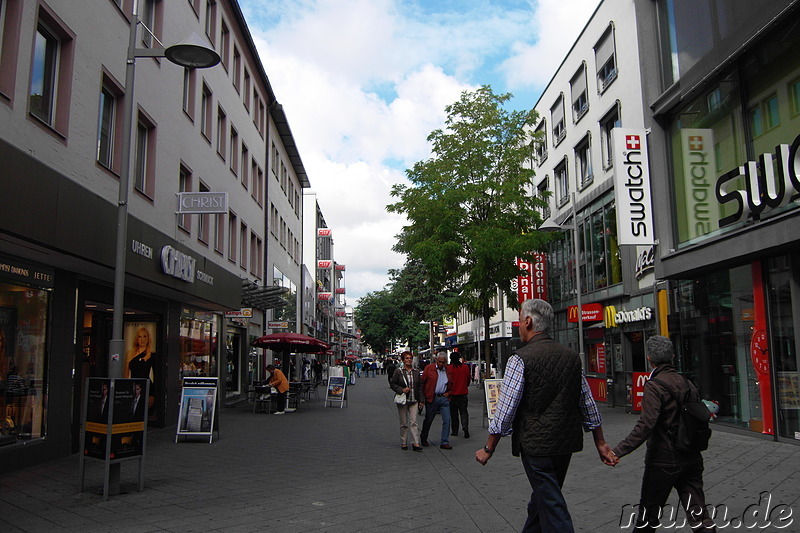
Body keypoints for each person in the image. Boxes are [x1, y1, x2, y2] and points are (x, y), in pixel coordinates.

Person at [475, 298, 615, 533]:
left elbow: (506, 408)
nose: (519, 324)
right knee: (543, 498)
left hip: (536, 444)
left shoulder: (520, 359)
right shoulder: (571, 357)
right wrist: (599, 442)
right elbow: (587, 402)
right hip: (566, 442)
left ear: (528, 321)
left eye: (520, 319)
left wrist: (489, 447)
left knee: (552, 504)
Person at [610, 336, 717, 532]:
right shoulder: (688, 383)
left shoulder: (654, 386)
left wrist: (618, 451)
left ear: (649, 358)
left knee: (648, 517)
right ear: (673, 356)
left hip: (663, 460)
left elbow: (646, 424)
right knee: (699, 514)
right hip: (691, 455)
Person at [389, 351, 424, 451]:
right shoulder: (398, 371)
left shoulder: (416, 372)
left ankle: (415, 443)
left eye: (410, 358)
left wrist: (422, 400)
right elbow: (393, 383)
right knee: (404, 423)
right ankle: (403, 442)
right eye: (407, 358)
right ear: (403, 360)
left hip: (414, 400)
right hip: (403, 400)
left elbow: (420, 387)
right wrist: (401, 390)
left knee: (414, 422)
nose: (409, 360)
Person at [420, 351, 454, 449]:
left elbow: (451, 383)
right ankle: (424, 437)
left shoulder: (448, 370)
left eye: (443, 362)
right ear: (436, 360)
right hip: (432, 397)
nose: (441, 364)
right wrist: (422, 398)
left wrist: (449, 393)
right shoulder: (429, 369)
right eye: (439, 362)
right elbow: (422, 383)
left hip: (443, 398)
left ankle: (444, 441)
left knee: (447, 419)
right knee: (429, 419)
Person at [125, 326, 155, 413]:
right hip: (133, 386)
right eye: (139, 336)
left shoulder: (152, 355)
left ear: (148, 338)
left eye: (145, 336)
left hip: (147, 387)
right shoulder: (130, 353)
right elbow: (126, 375)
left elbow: (156, 375)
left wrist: (154, 395)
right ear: (136, 339)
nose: (142, 339)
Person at [448, 351, 471, 438]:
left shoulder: (449, 368)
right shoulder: (465, 367)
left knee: (454, 414)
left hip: (452, 394)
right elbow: (468, 379)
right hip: (463, 393)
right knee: (463, 412)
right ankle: (465, 427)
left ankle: (455, 430)